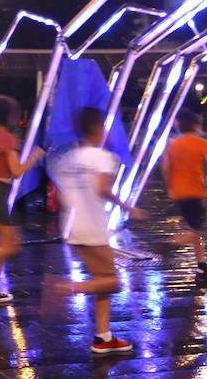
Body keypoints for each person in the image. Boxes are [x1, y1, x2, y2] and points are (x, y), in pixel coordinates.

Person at [43, 106, 145, 356]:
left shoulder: (70, 158)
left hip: (72, 228)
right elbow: (101, 188)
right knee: (112, 281)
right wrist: (128, 206)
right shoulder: (102, 157)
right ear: (98, 128)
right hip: (93, 229)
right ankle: (66, 288)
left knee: (103, 283)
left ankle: (103, 337)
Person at [0, 95, 45, 305]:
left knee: (2, 244)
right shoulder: (7, 138)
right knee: (11, 246)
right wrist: (34, 157)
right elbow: (16, 171)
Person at [156, 109, 207, 286]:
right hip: (194, 191)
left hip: (178, 193)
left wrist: (170, 185)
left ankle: (201, 266)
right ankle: (170, 244)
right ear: (196, 125)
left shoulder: (172, 144)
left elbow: (166, 166)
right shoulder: (200, 143)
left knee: (195, 229)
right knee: (196, 229)